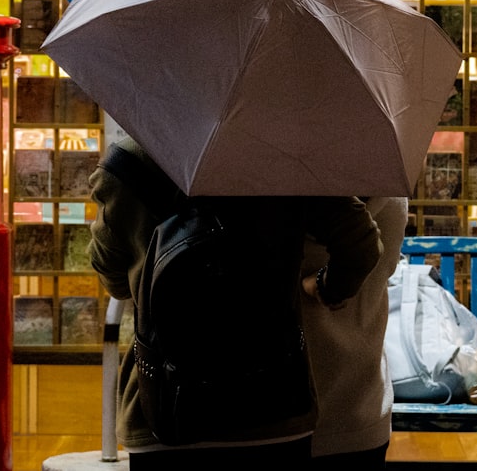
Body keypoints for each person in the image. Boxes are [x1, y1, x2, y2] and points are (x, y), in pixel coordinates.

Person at [88, 136, 383, 471]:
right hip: (274, 406)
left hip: (164, 408)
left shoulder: (127, 163)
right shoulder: (287, 156)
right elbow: (361, 246)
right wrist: (324, 287)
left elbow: (113, 278)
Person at [300, 196, 408, 470]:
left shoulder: (262, 197)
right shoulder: (391, 195)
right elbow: (383, 265)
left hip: (270, 415)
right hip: (359, 406)